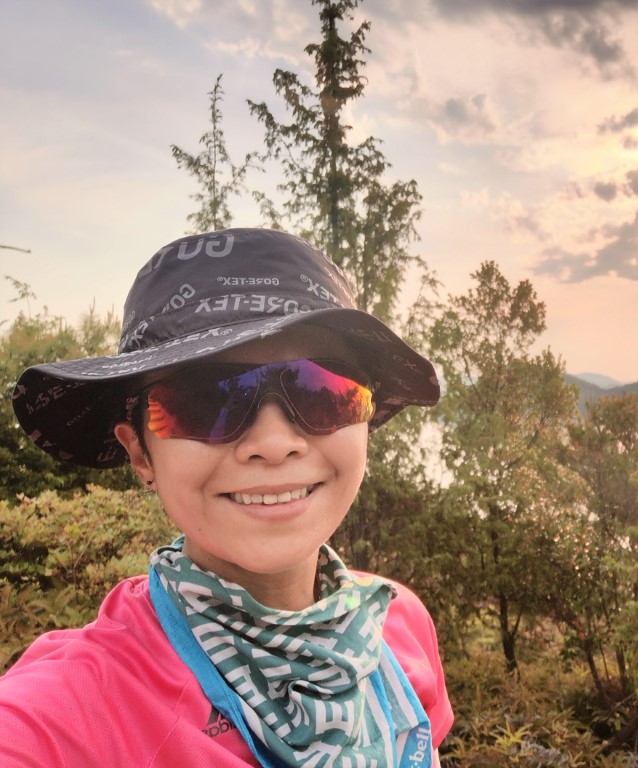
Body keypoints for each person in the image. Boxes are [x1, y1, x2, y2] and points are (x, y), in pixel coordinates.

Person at [0, 228, 453, 767]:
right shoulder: (74, 710)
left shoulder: (399, 625)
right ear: (141, 454)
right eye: (201, 400)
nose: (274, 444)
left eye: (324, 391)